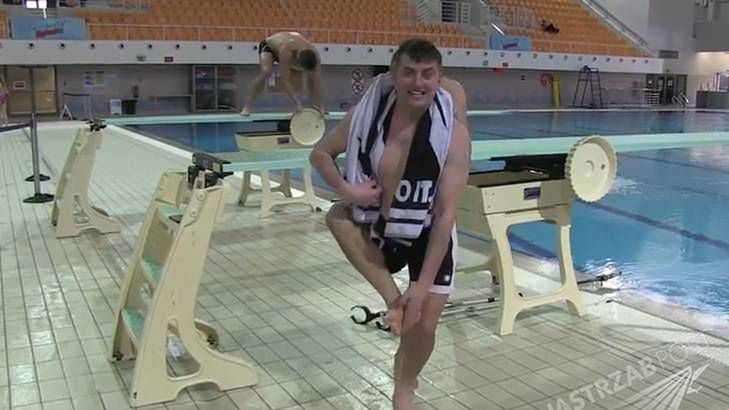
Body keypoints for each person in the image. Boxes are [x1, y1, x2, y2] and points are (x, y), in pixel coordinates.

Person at [310, 38, 470, 410]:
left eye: (428, 74)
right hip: (382, 224)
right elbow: (320, 154)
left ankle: (406, 383)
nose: (418, 82)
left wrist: (423, 286)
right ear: (393, 76)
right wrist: (348, 190)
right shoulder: (365, 117)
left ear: (438, 79)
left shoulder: (453, 135)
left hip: (429, 230)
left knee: (423, 325)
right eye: (409, 73)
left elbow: (446, 215)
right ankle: (393, 301)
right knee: (337, 215)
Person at [241, 31, 323, 116]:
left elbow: (317, 82)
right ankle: (247, 107)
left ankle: (315, 105)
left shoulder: (316, 55)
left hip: (289, 48)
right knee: (266, 71)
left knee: (312, 75)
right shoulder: (287, 51)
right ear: (297, 60)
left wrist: (320, 107)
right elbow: (284, 80)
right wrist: (297, 103)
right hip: (269, 47)